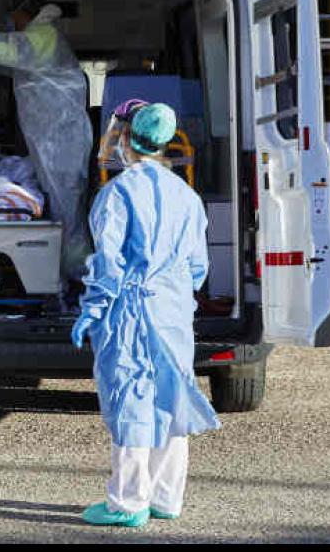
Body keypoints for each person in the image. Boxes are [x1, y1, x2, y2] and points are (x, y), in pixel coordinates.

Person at [70, 101, 219, 528]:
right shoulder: (186, 196)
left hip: (130, 313)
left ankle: (127, 503)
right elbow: (197, 268)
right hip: (172, 312)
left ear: (124, 138)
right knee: (173, 401)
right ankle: (166, 498)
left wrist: (93, 308)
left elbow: (109, 263)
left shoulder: (116, 193)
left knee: (132, 402)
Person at [0, 0, 94, 286]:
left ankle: (79, 274)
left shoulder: (42, 35)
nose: (10, 23)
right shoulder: (42, 37)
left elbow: (8, 50)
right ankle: (67, 271)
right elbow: (5, 61)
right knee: (63, 204)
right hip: (54, 136)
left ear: (23, 12)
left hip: (61, 138)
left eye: (12, 17)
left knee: (67, 206)